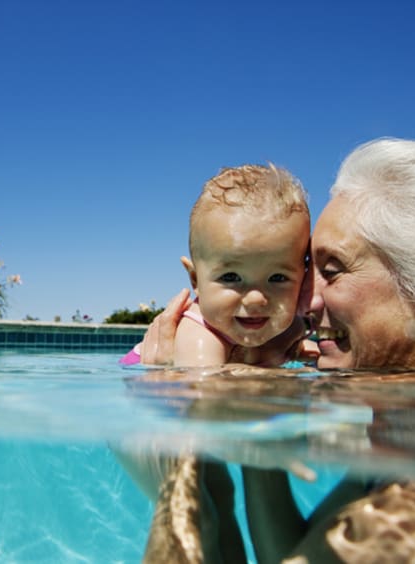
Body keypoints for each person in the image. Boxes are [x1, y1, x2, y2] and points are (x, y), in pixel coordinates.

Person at [134, 137, 415, 562]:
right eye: (308, 270)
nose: (302, 299)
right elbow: (291, 553)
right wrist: (258, 413)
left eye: (331, 270)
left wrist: (176, 444)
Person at [118, 163, 312, 563]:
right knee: (200, 509)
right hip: (144, 430)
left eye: (278, 278)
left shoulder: (280, 322)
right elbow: (212, 390)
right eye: (231, 277)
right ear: (194, 279)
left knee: (220, 501)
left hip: (184, 425)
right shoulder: (198, 332)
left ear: (303, 275)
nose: (256, 298)